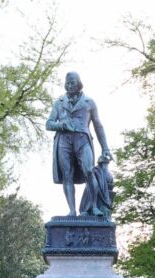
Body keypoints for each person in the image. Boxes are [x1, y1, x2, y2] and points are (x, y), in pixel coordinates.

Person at [46, 72, 112, 216]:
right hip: (64, 141)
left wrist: (105, 148)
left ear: (79, 83)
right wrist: (62, 125)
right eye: (67, 83)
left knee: (89, 170)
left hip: (82, 139)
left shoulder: (89, 102)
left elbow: (98, 126)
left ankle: (94, 207)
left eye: (72, 82)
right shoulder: (59, 103)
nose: (69, 85)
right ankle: (72, 210)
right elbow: (49, 124)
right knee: (67, 175)